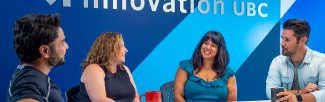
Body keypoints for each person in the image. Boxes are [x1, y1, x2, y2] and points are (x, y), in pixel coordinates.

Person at [7, 14, 69, 102]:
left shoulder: (29, 76)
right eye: (62, 43)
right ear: (45, 51)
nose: (67, 46)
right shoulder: (29, 82)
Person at [266, 19, 325, 102]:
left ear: (302, 40)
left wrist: (298, 98)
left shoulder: (322, 61)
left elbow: (324, 94)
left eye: (287, 40)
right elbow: (271, 93)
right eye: (282, 39)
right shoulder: (277, 61)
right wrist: (301, 92)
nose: (282, 44)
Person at [174, 31, 237, 102]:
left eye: (213, 45)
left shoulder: (228, 74)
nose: (208, 47)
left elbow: (232, 100)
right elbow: (178, 95)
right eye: (206, 43)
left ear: (219, 51)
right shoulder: (186, 67)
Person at [77, 32, 140, 102]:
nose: (126, 50)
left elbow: (136, 98)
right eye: (122, 46)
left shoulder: (125, 69)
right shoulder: (93, 69)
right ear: (110, 48)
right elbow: (101, 100)